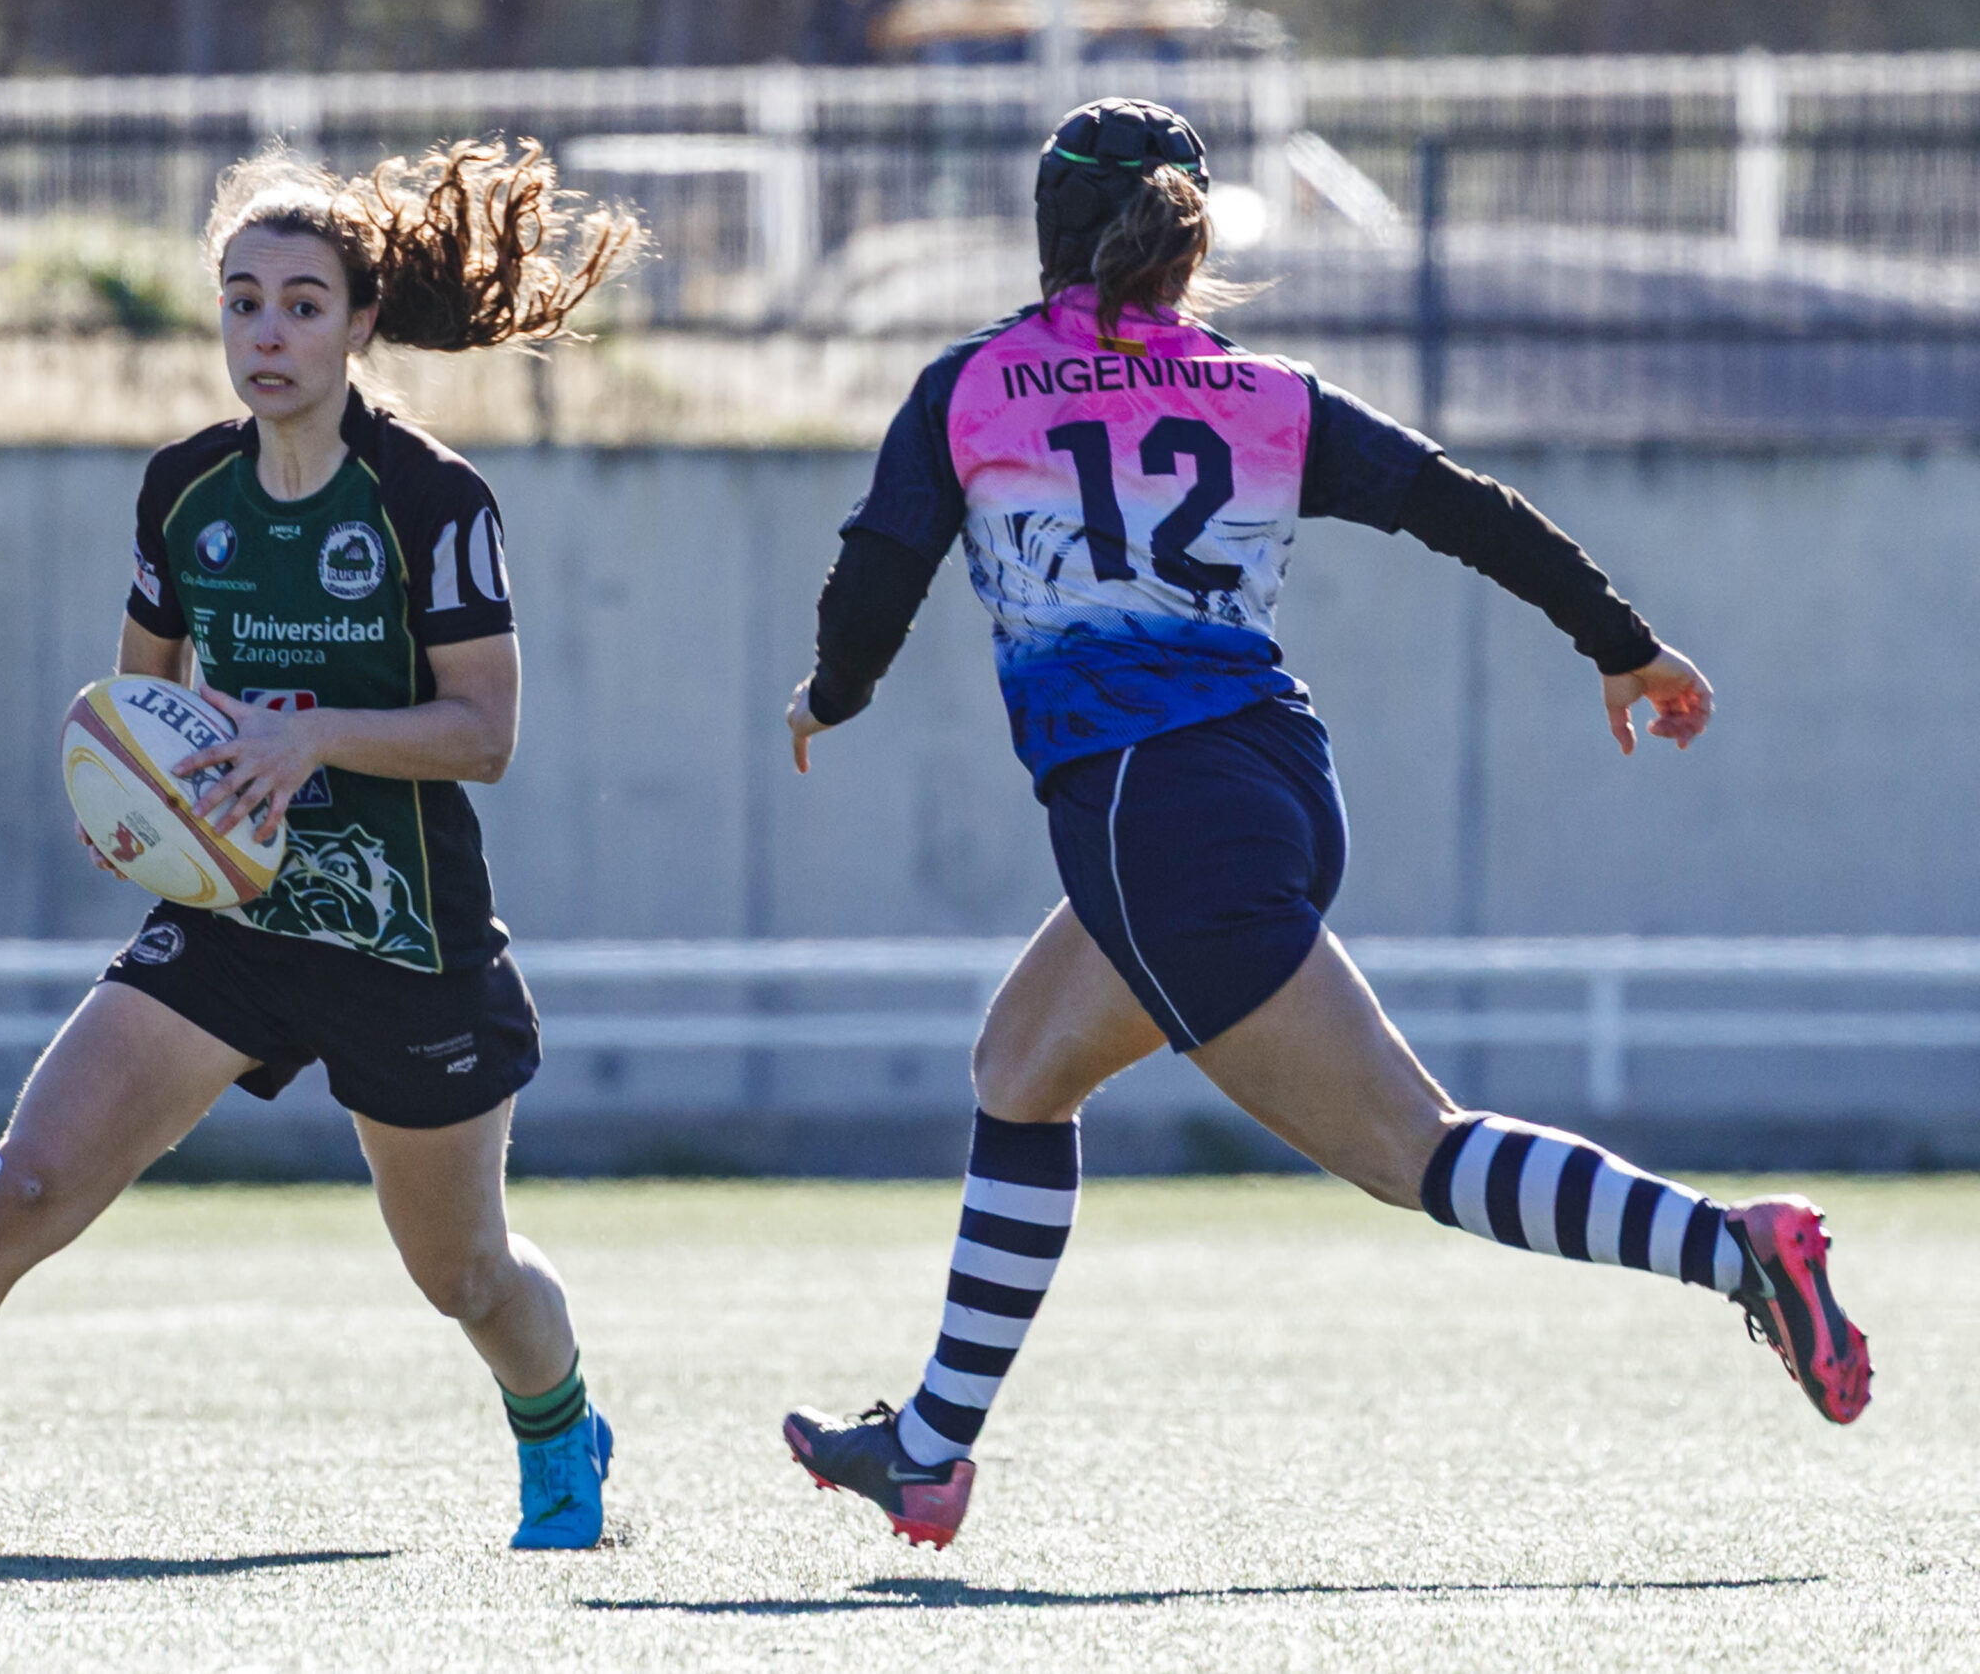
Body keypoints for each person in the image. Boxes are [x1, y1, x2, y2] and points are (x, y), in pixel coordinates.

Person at [777, 99, 1871, 1551]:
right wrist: (1621, 642)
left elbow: (874, 584)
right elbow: (1465, 508)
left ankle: (1731, 1248)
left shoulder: (972, 388)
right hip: (1274, 782)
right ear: (1186, 235)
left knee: (1414, 1149)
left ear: (1044, 228)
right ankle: (928, 1450)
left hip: (1149, 813)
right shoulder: (1261, 391)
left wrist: (828, 699)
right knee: (1023, 1065)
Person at [0, 140, 642, 1553]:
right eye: (244, 300)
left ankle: (561, 1428)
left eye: (304, 303)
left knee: (469, 1279)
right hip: (231, 929)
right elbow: (146, 709)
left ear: (362, 321)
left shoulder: (434, 501)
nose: (269, 331)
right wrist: (133, 803)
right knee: (21, 1186)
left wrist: (310, 737)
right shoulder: (185, 494)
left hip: (400, 941)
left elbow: (483, 733)